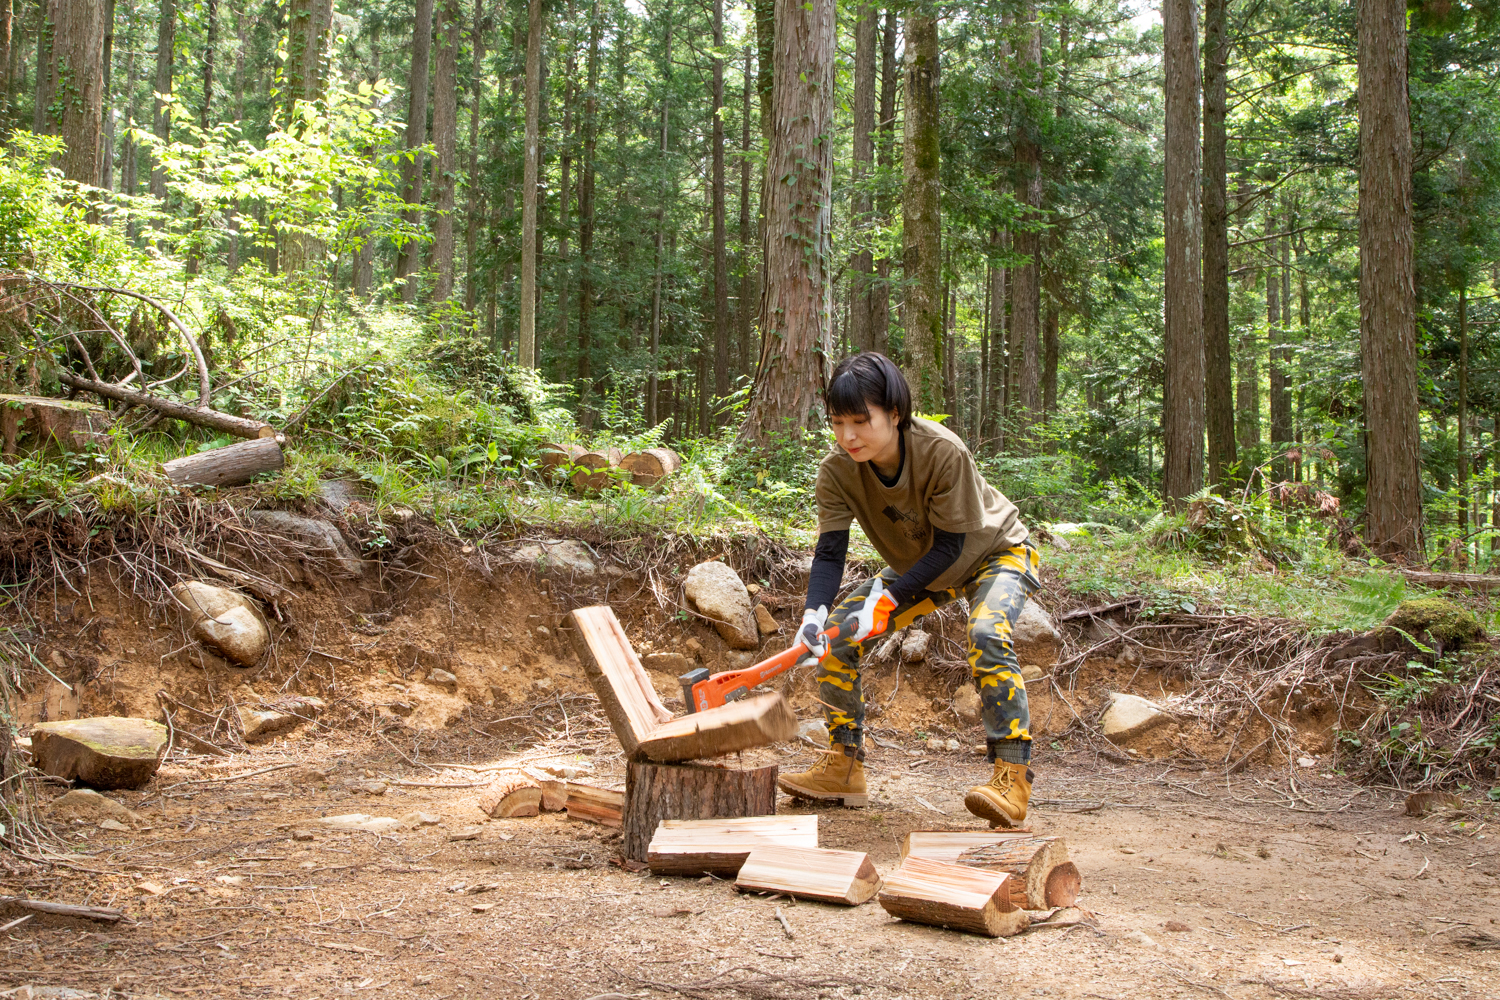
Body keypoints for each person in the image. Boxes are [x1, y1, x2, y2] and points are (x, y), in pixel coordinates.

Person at [777, 352, 1042, 828]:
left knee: (986, 632)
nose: (848, 436)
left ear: (895, 414)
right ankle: (844, 766)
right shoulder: (836, 471)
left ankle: (1012, 777)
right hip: (922, 565)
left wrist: (892, 599)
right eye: (837, 423)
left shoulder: (942, 451)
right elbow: (831, 551)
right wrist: (813, 614)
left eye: (861, 421)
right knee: (836, 638)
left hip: (994, 552)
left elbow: (953, 546)